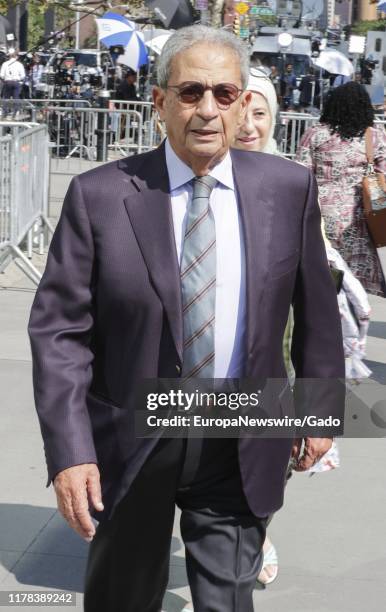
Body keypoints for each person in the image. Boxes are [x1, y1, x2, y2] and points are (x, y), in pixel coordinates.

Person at [28, 25, 345, 612]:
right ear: (159, 103)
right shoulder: (99, 196)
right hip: (132, 438)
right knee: (123, 599)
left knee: (228, 601)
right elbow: (58, 333)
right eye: (191, 92)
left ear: (244, 101)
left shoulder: (288, 187)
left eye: (224, 94)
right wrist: (71, 451)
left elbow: (317, 316)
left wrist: (320, 413)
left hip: (246, 429)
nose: (208, 110)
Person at [296, 82, 386, 297]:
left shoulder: (315, 134)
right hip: (357, 218)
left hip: (319, 215)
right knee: (353, 281)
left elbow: (300, 174)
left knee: (321, 272)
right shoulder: (373, 137)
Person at [0, 48, 25, 118]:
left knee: (6, 98)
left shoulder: (5, 64)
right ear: (15, 55)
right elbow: (23, 76)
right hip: (16, 82)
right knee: (16, 97)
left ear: (9, 56)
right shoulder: (19, 64)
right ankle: (15, 113)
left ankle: (5, 113)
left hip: (7, 82)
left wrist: (5, 78)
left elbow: (1, 75)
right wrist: (18, 79)